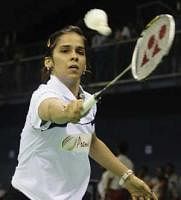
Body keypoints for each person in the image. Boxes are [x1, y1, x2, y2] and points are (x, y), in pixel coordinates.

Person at [4, 25, 157, 200]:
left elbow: (88, 143)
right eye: (65, 50)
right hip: (29, 196)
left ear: (84, 65)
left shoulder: (89, 102)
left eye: (80, 52)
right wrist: (67, 112)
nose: (74, 56)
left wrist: (127, 178)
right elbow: (52, 110)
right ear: (49, 62)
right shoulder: (42, 96)